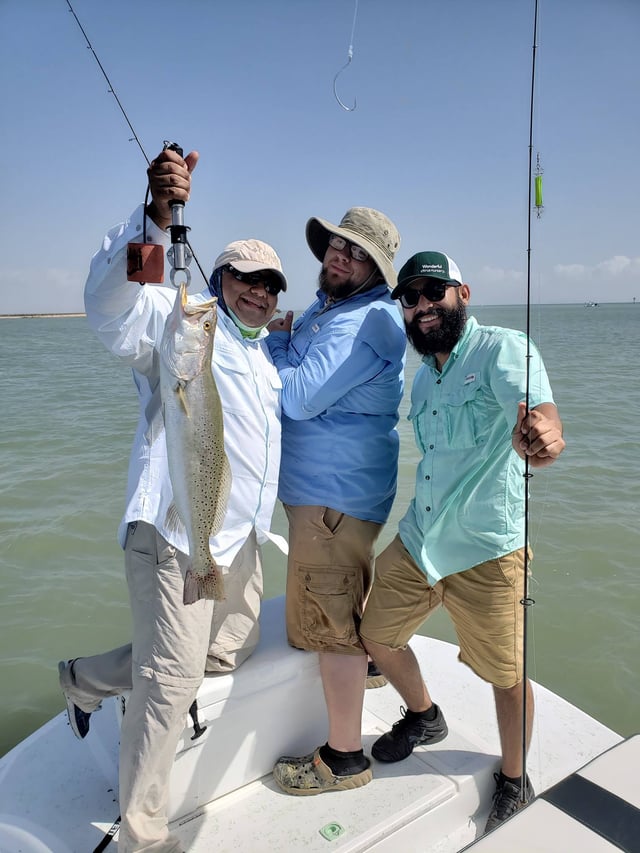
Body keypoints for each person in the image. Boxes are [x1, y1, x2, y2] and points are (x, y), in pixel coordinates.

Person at [58, 147, 286, 852]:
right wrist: (155, 217)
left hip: (236, 537)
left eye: (269, 285)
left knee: (223, 653)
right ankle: (142, 833)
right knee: (170, 680)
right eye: (244, 279)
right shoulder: (178, 317)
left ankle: (85, 677)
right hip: (175, 530)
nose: (256, 292)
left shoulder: (259, 352)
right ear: (219, 277)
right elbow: (108, 303)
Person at [358, 251, 566, 831]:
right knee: (375, 633)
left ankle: (514, 776)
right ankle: (424, 715)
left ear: (462, 293)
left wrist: (543, 438)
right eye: (411, 297)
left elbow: (543, 420)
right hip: (421, 538)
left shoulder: (504, 349)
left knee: (506, 675)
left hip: (488, 549)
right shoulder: (421, 380)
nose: (423, 306)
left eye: (434, 292)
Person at [265, 207, 406, 794]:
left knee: (328, 629)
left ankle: (344, 758)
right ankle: (370, 670)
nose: (340, 256)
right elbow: (307, 377)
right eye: (337, 245)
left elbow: (296, 398)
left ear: (377, 269)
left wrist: (274, 344)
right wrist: (291, 346)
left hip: (332, 499)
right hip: (328, 496)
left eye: (358, 253)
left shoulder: (366, 321)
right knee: (337, 604)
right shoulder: (333, 309)